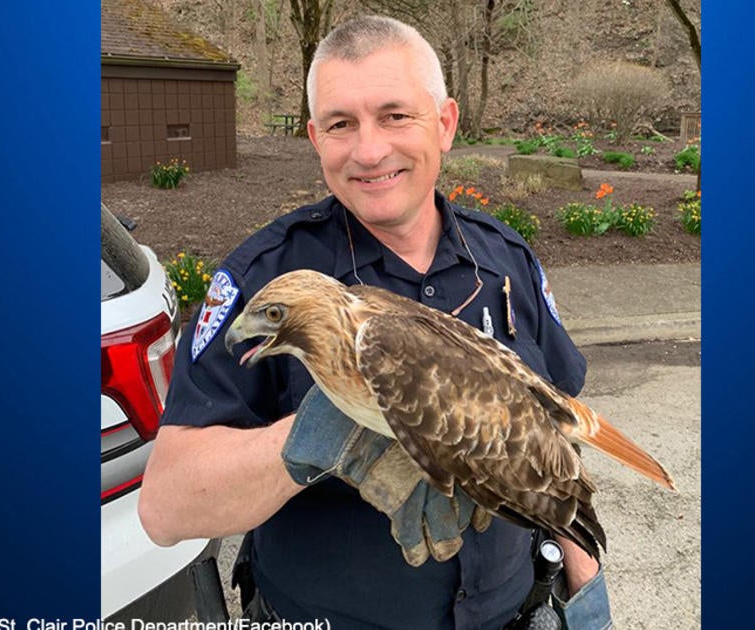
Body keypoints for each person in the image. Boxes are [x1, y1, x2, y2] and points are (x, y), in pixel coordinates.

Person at [139, 15, 611, 629]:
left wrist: (584, 588)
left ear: (444, 124)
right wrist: (313, 439)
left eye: (395, 115)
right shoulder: (269, 281)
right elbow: (165, 506)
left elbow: (558, 430)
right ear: (315, 138)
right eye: (341, 124)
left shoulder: (506, 257)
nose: (369, 150)